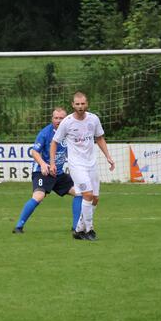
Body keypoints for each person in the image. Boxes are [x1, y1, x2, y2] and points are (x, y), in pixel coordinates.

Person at [50, 92, 115, 241]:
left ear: (87, 104)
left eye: (83, 103)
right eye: (77, 104)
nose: (80, 106)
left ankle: (79, 229)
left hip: (91, 163)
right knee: (88, 195)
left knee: (95, 198)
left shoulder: (93, 119)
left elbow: (99, 138)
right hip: (76, 165)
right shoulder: (67, 122)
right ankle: (89, 230)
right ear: (73, 105)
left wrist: (108, 156)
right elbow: (54, 142)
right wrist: (52, 163)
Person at [12, 107, 83, 233]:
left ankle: (76, 228)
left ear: (66, 119)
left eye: (61, 118)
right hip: (42, 172)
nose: (58, 120)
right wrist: (43, 164)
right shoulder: (45, 133)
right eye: (56, 118)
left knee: (79, 193)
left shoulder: (70, 133)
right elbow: (34, 152)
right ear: (52, 119)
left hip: (58, 173)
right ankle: (18, 226)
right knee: (38, 196)